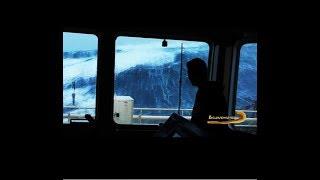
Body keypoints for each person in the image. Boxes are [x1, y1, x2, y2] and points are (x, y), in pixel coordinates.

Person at [187, 58, 230, 135]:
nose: (189, 76)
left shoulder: (208, 93)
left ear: (197, 74)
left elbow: (207, 124)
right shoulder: (206, 90)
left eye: (190, 73)